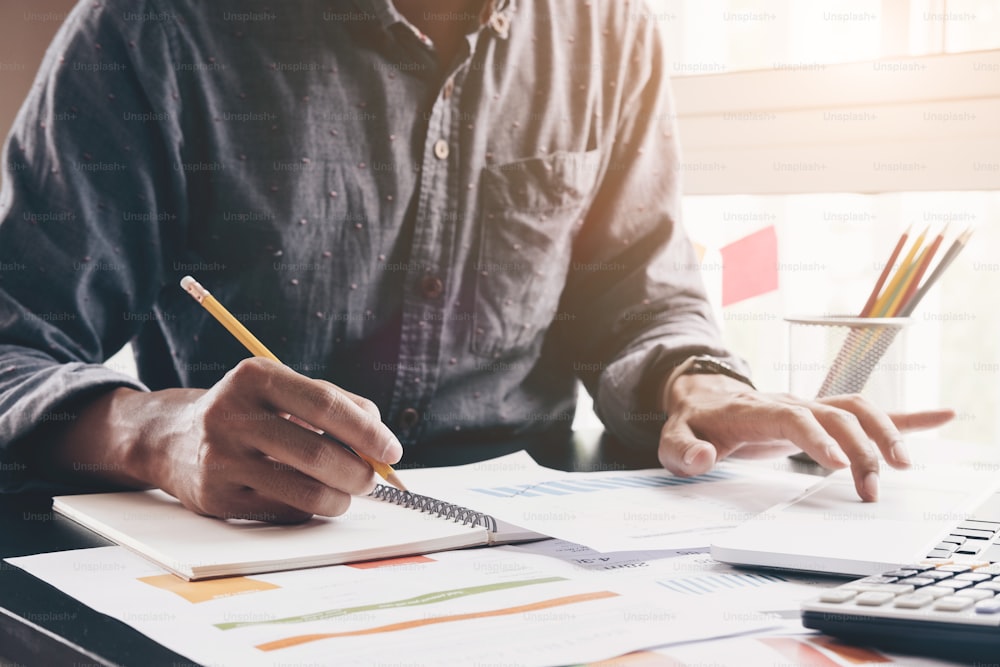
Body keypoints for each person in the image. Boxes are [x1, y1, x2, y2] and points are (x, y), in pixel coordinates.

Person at [0, 0, 952, 522]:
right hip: (257, 551)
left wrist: (694, 382)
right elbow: (12, 347)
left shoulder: (610, 30)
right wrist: (156, 435)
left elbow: (635, 299)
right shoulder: (156, 29)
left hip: (546, 545)